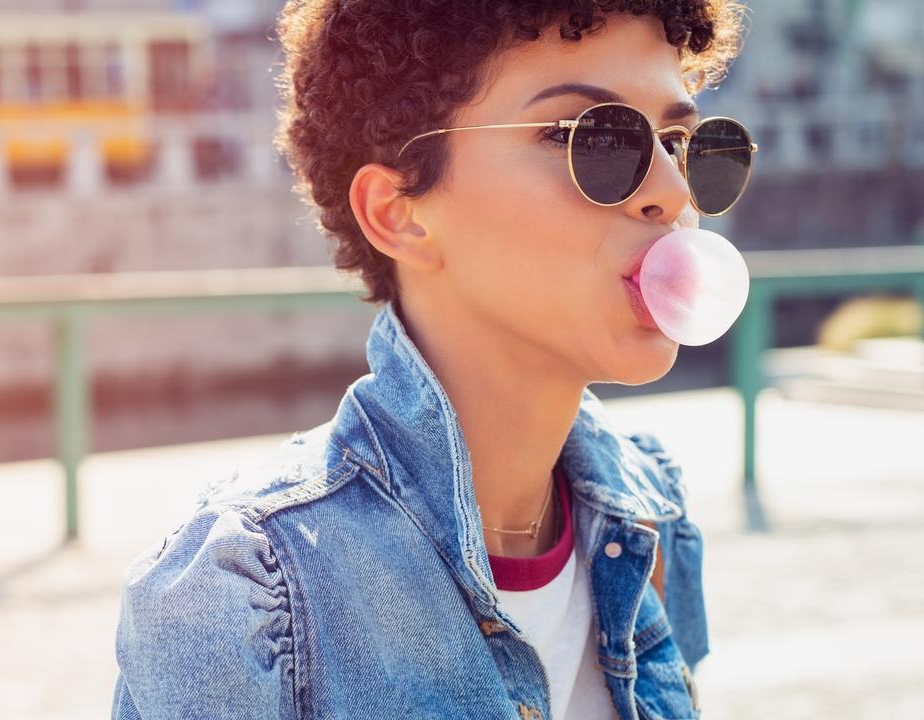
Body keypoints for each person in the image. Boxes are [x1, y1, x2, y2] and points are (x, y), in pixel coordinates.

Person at [113, 1, 750, 718]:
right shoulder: (245, 592)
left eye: (679, 140)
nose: (671, 192)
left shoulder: (653, 511)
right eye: (593, 138)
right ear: (399, 212)